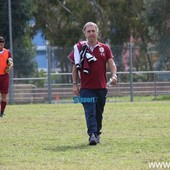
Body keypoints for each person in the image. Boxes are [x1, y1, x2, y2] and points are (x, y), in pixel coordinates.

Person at [68, 22, 117, 145]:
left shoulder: (105, 48)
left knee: (98, 113)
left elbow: (112, 64)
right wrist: (74, 84)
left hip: (101, 87)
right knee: (90, 111)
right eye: (88, 31)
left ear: (97, 33)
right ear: (85, 33)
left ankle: (97, 132)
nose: (91, 33)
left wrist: (114, 75)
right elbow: (75, 68)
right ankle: (92, 135)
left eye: (93, 31)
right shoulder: (79, 48)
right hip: (86, 89)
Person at [0, 36, 13, 117]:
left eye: (1, 44)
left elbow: (11, 62)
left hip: (5, 77)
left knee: (4, 95)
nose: (0, 46)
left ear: (3, 44)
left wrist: (9, 67)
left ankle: (1, 112)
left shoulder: (7, 52)